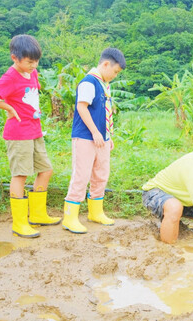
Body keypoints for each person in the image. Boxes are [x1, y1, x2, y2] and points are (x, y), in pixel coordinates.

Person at [0, 35, 60, 238]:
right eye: (30, 62)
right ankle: (19, 223)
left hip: (34, 130)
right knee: (21, 175)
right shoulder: (11, 76)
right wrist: (8, 107)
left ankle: (38, 215)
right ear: (15, 58)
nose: (34, 65)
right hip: (18, 133)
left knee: (46, 170)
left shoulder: (31, 72)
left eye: (36, 61)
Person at [62, 48, 126, 234]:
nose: (115, 76)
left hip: (102, 139)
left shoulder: (104, 84)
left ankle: (95, 212)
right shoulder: (89, 82)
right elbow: (82, 108)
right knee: (81, 176)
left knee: (101, 174)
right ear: (105, 64)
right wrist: (96, 132)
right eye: (115, 72)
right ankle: (70, 217)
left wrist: (107, 136)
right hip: (85, 137)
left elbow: (103, 113)